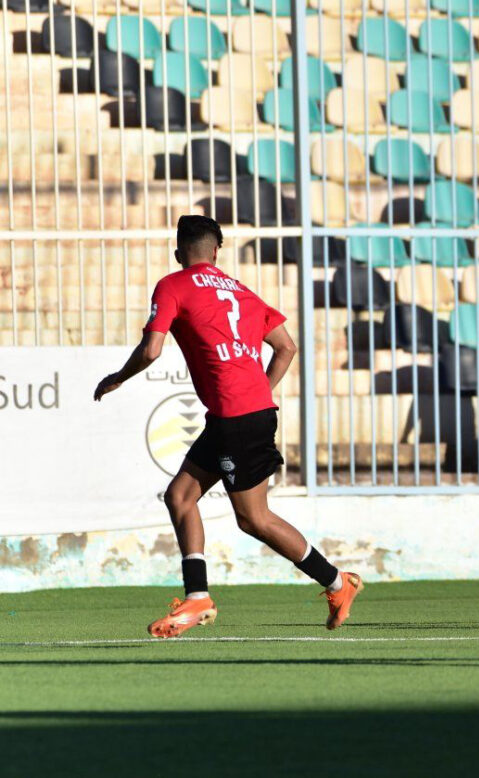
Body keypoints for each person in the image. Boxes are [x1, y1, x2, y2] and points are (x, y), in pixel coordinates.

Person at [94, 215, 362, 639]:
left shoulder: (173, 285)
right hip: (237, 415)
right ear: (216, 252)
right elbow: (286, 347)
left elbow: (151, 350)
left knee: (253, 519)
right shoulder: (241, 290)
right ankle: (197, 596)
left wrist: (118, 377)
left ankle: (336, 582)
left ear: (179, 251)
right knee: (180, 495)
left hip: (237, 418)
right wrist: (258, 391)